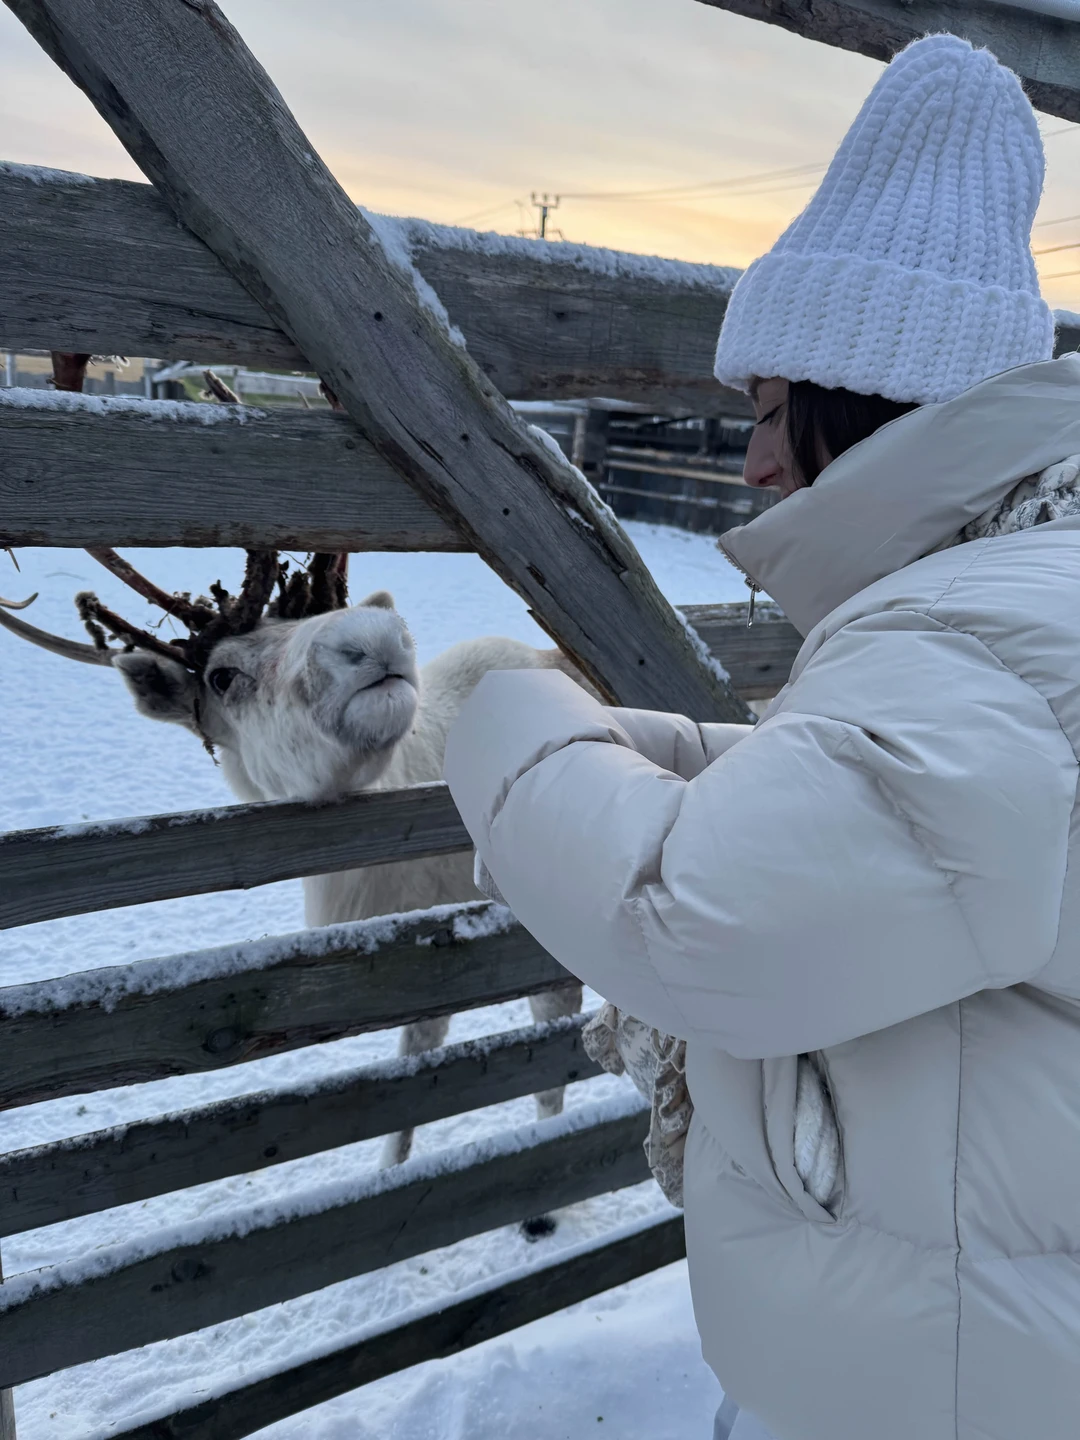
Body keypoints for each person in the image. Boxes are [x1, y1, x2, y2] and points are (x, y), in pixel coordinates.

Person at [444, 33, 1080, 1440]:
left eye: (772, 408)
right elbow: (942, 842)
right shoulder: (1027, 595)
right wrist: (700, 758)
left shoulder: (977, 638)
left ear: (867, 391)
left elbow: (697, 920)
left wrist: (497, 705)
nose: (753, 463)